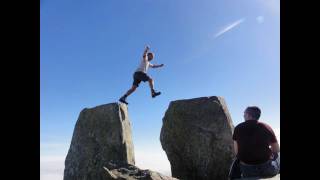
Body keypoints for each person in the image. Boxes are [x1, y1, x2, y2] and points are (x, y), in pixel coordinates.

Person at [229, 106, 280, 179]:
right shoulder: (266, 127)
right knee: (278, 155)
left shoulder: (238, 128)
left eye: (244, 113)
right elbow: (276, 149)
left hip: (248, 170)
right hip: (267, 169)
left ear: (249, 115)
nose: (243, 115)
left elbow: (237, 151)